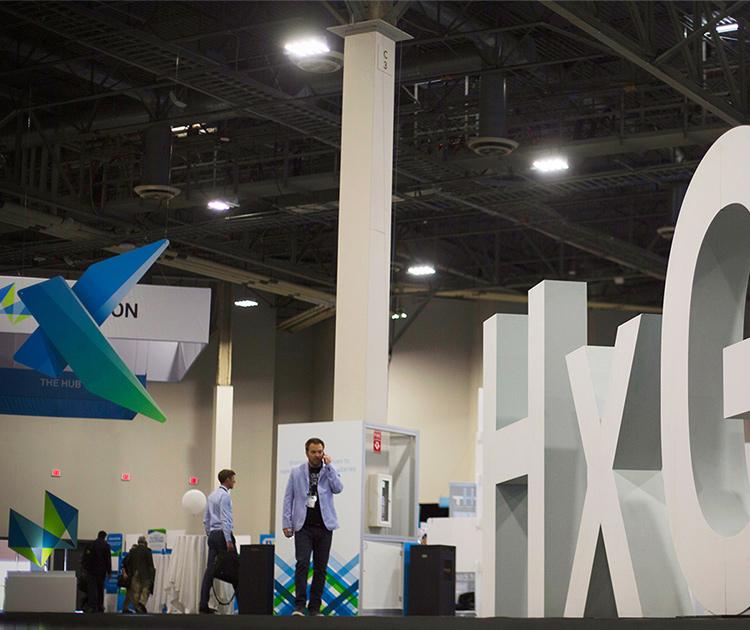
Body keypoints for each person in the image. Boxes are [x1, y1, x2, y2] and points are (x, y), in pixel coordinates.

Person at [283, 437, 343, 617]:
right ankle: (299, 606)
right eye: (313, 452)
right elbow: (288, 498)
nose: (317, 455)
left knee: (320, 568)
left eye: (320, 452)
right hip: (303, 526)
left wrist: (330, 466)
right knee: (302, 564)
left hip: (325, 527)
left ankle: (315, 607)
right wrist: (286, 523)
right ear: (307, 453)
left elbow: (338, 488)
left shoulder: (329, 470)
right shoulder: (296, 472)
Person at [199, 468, 236, 614]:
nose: (234, 481)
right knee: (236, 569)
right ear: (227, 480)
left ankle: (203, 604)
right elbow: (225, 519)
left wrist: (210, 534)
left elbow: (206, 519)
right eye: (233, 479)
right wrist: (228, 539)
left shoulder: (211, 496)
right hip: (223, 535)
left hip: (213, 535)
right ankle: (245, 605)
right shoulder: (225, 496)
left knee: (210, 570)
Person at [121, 535, 155, 614]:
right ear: (145, 542)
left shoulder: (132, 551)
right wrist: (152, 576)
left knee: (136, 592)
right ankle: (141, 603)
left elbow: (128, 562)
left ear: (138, 542)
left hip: (134, 573)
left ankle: (137, 607)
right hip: (145, 574)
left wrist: (128, 573)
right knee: (145, 590)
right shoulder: (148, 551)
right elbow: (150, 565)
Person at [81, 530, 111, 613]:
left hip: (91, 571)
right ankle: (100, 605)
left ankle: (92, 606)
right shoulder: (106, 546)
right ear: (104, 537)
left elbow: (85, 557)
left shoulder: (91, 544)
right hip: (101, 571)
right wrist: (109, 572)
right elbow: (108, 560)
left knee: (92, 589)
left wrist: (84, 568)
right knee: (100, 588)